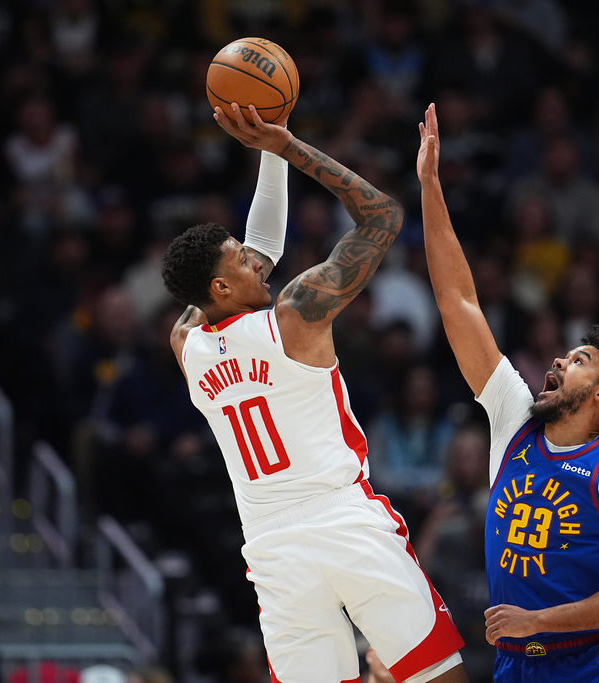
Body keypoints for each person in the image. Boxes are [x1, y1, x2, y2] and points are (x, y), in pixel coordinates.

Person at [161, 103, 467, 683]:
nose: (256, 259)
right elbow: (382, 216)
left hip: (272, 551)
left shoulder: (185, 342)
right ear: (223, 285)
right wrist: (290, 146)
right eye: (240, 260)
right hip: (344, 521)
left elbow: (255, 252)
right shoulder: (294, 316)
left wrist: (267, 153)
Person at [417, 102, 599, 681]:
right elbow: (459, 302)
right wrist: (430, 185)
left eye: (580, 360)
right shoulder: (513, 416)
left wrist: (542, 622)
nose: (559, 359)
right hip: (517, 666)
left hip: (597, 665)